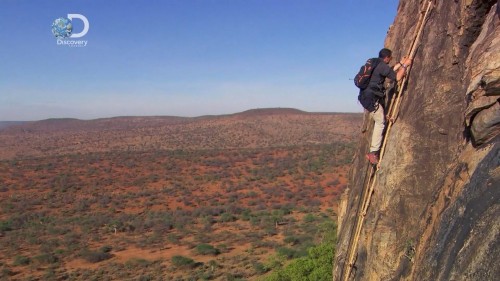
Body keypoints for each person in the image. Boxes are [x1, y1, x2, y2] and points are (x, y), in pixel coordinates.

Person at [358, 48, 412, 165]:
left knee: (379, 116)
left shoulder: (376, 63)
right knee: (380, 122)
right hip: (371, 99)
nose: (390, 60)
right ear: (387, 57)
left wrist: (401, 64)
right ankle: (373, 152)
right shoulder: (382, 66)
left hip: (366, 97)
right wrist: (405, 66)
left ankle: (382, 116)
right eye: (390, 58)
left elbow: (389, 72)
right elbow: (397, 77)